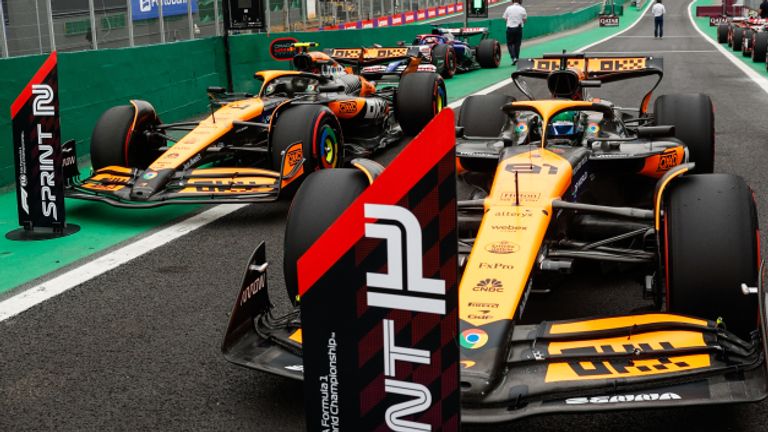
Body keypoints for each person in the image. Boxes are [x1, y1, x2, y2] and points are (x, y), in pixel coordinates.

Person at [503, 0, 527, 65]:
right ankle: (517, 58)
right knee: (517, 44)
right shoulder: (522, 9)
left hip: (510, 28)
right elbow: (524, 19)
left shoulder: (508, 8)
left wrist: (509, 22)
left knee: (510, 44)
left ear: (512, 1)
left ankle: (514, 58)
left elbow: (505, 18)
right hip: (519, 28)